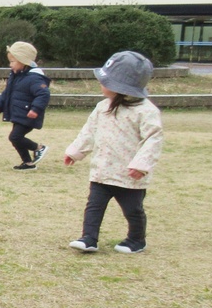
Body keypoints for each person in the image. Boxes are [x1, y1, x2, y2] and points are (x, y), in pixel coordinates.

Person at [64, 51, 163, 254]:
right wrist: (75, 151)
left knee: (133, 210)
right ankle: (89, 238)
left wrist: (141, 165)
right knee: (94, 206)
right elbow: (89, 131)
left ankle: (136, 239)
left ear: (120, 86)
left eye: (105, 81)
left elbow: (153, 139)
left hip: (129, 175)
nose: (101, 84)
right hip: (102, 170)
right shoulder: (103, 107)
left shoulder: (146, 111)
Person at [0, 41, 51, 170]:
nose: (10, 64)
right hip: (18, 113)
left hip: (28, 114)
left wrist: (35, 109)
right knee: (16, 139)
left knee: (15, 137)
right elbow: (7, 93)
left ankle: (39, 148)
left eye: (13, 61)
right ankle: (28, 163)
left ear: (23, 61)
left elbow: (43, 94)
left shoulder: (34, 78)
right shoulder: (16, 76)